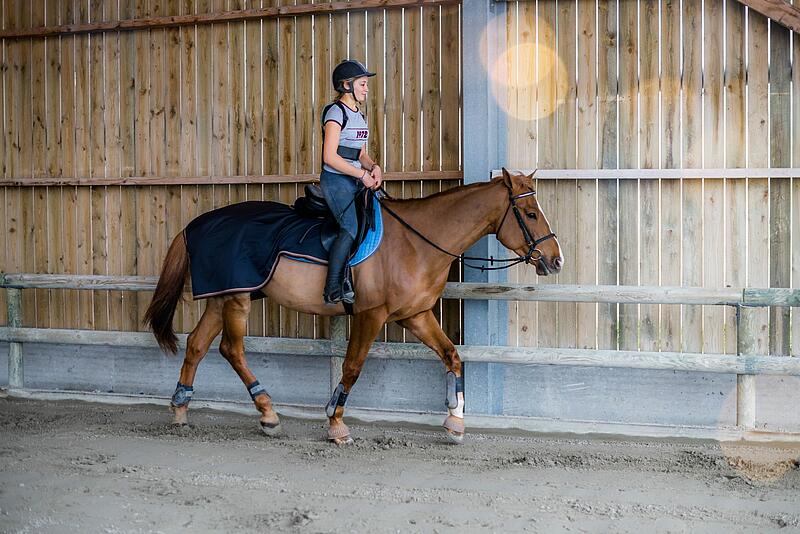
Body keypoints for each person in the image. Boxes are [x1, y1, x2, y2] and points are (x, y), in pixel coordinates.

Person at [320, 59, 382, 305]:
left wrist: (374, 167)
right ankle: (333, 286)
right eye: (363, 84)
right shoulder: (336, 113)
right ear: (347, 85)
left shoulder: (360, 115)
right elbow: (330, 156)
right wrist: (361, 175)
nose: (367, 89)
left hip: (355, 179)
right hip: (336, 181)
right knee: (350, 227)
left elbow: (359, 154)